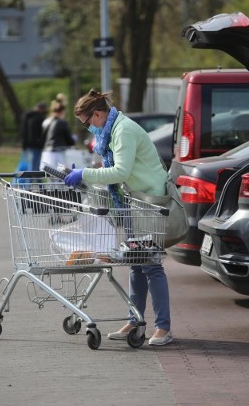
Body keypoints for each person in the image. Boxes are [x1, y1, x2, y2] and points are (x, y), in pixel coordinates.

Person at [64, 89, 173, 346]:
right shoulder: (113, 129)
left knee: (151, 265)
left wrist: (85, 174)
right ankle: (134, 320)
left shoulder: (122, 130)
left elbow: (120, 172)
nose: (88, 128)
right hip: (134, 202)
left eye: (87, 123)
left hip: (148, 202)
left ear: (98, 115)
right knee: (136, 263)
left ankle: (164, 328)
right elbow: (115, 172)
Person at [40, 95, 75, 169]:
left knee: (49, 177)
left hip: (46, 152)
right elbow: (69, 140)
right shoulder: (62, 123)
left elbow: (42, 138)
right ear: (62, 111)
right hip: (58, 154)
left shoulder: (46, 122)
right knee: (61, 177)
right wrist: (73, 140)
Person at [20, 101, 48, 171]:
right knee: (35, 164)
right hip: (37, 145)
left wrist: (23, 143)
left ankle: (23, 180)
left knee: (25, 164)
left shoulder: (27, 116)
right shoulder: (40, 118)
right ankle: (35, 180)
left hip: (27, 144)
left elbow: (23, 131)